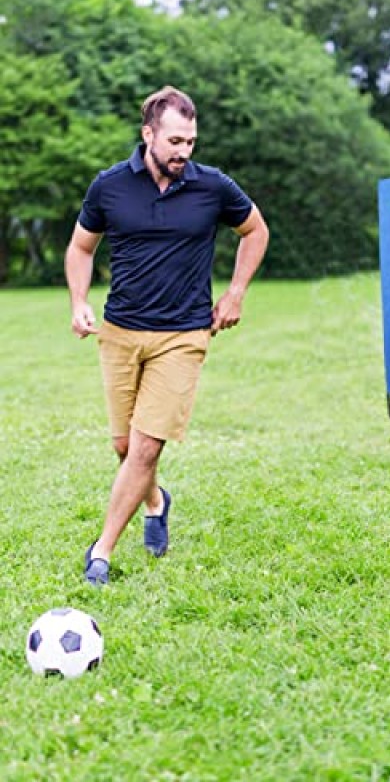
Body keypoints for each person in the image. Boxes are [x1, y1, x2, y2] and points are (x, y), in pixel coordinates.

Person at [65, 86, 269, 585]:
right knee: (124, 447)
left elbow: (256, 230)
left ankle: (102, 551)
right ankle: (156, 502)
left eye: (191, 142)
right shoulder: (109, 187)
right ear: (148, 134)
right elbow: (80, 247)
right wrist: (78, 301)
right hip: (119, 331)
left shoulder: (213, 187)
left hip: (183, 334)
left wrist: (236, 292)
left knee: (146, 448)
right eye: (175, 141)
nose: (184, 151)